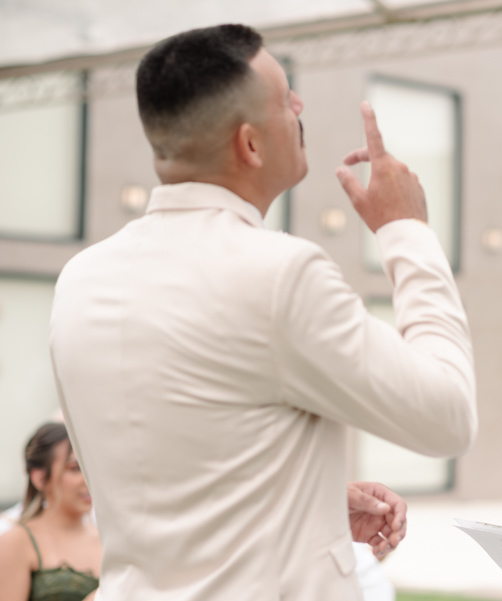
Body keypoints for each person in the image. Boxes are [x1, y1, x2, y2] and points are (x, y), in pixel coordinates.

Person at [48, 24, 477, 600]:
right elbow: (447, 415)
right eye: (285, 98)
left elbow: (165, 462)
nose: (299, 107)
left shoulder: (80, 278)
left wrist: (309, 504)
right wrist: (406, 229)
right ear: (250, 144)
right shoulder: (281, 273)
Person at [0, 422, 102, 601]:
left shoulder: (108, 540)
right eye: (75, 468)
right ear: (40, 477)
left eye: (90, 468)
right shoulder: (17, 541)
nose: (87, 480)